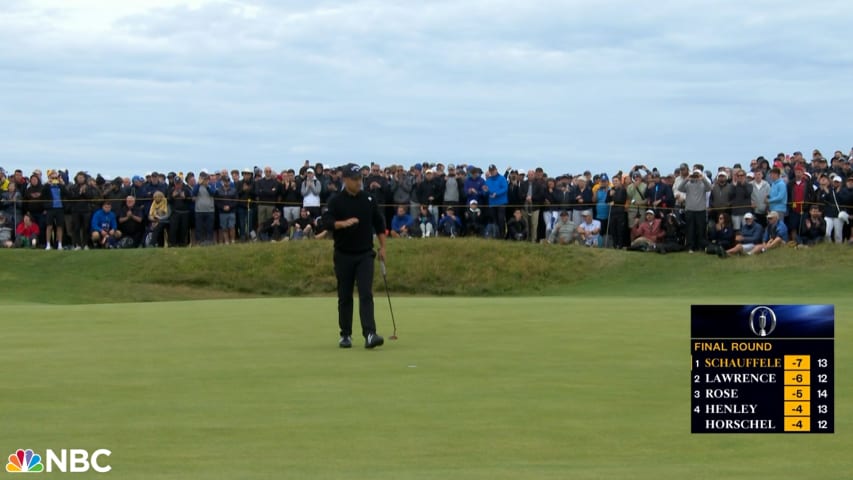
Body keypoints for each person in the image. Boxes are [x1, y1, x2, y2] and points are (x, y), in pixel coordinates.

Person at [321, 163, 387, 349]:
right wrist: (344, 224)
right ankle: (346, 335)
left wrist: (383, 248)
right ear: (345, 180)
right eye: (355, 179)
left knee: (366, 293)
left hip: (365, 254)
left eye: (360, 179)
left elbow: (379, 224)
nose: (359, 182)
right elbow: (327, 222)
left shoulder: (368, 199)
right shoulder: (335, 201)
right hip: (343, 254)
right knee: (345, 295)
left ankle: (370, 334)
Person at [678, 168, 712, 252]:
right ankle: (690, 247)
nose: (696, 176)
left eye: (697, 174)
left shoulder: (703, 184)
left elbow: (709, 188)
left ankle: (701, 246)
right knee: (690, 230)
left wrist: (702, 178)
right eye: (695, 174)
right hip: (689, 210)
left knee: (701, 230)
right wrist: (687, 179)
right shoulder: (688, 184)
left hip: (701, 210)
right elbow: (680, 188)